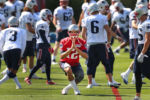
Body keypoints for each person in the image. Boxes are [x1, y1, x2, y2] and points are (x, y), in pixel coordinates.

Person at [81, 3, 120, 88]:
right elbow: (108, 31)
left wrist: (88, 41)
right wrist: (108, 42)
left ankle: (90, 83)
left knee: (90, 64)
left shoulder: (86, 19)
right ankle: (110, 81)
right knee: (106, 63)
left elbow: (83, 34)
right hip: (101, 44)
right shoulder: (103, 18)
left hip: (91, 45)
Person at [24, 9, 55, 85]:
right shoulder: (42, 23)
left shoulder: (44, 23)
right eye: (49, 16)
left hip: (44, 44)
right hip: (42, 45)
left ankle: (48, 80)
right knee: (39, 63)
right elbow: (42, 34)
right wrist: (48, 45)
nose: (50, 18)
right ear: (44, 15)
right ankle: (28, 77)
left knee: (48, 63)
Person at [97, 0, 121, 86]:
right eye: (106, 8)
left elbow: (109, 30)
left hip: (102, 41)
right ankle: (110, 80)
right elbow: (108, 29)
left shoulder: (101, 16)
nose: (107, 9)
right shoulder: (101, 17)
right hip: (101, 42)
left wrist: (117, 37)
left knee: (108, 60)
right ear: (100, 7)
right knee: (107, 60)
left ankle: (110, 79)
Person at [60, 24, 87, 95]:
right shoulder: (63, 41)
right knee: (68, 70)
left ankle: (66, 88)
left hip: (75, 63)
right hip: (65, 62)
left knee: (80, 77)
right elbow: (62, 56)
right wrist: (71, 48)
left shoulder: (82, 42)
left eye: (76, 32)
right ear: (68, 32)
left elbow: (86, 56)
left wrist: (76, 48)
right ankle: (76, 90)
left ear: (79, 32)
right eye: (71, 32)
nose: (73, 34)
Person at [0, 16, 26, 89]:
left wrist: (2, 53)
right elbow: (23, 44)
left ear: (9, 24)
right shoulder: (22, 31)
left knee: (10, 70)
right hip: (16, 49)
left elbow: (0, 43)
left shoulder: (4, 31)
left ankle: (18, 85)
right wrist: (21, 55)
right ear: (17, 23)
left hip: (6, 50)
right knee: (13, 71)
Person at [133, 6, 150, 100]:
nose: (137, 17)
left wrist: (143, 53)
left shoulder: (147, 23)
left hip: (145, 48)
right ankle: (137, 96)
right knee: (137, 72)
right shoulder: (141, 22)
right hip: (139, 48)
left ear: (143, 14)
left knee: (147, 72)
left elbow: (148, 40)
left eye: (139, 15)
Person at [19, 0, 39, 78]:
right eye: (34, 6)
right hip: (26, 38)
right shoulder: (28, 14)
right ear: (30, 6)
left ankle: (31, 72)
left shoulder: (24, 13)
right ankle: (9, 70)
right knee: (21, 56)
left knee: (31, 55)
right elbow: (29, 28)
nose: (35, 8)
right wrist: (39, 33)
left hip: (26, 37)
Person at [52, 0, 76, 64]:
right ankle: (53, 59)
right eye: (62, 2)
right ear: (60, 2)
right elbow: (54, 20)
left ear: (67, 2)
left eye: (65, 2)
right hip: (61, 29)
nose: (64, 3)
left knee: (70, 44)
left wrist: (75, 27)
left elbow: (72, 18)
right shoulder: (58, 10)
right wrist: (57, 26)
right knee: (57, 44)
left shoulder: (70, 9)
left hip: (69, 29)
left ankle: (68, 58)